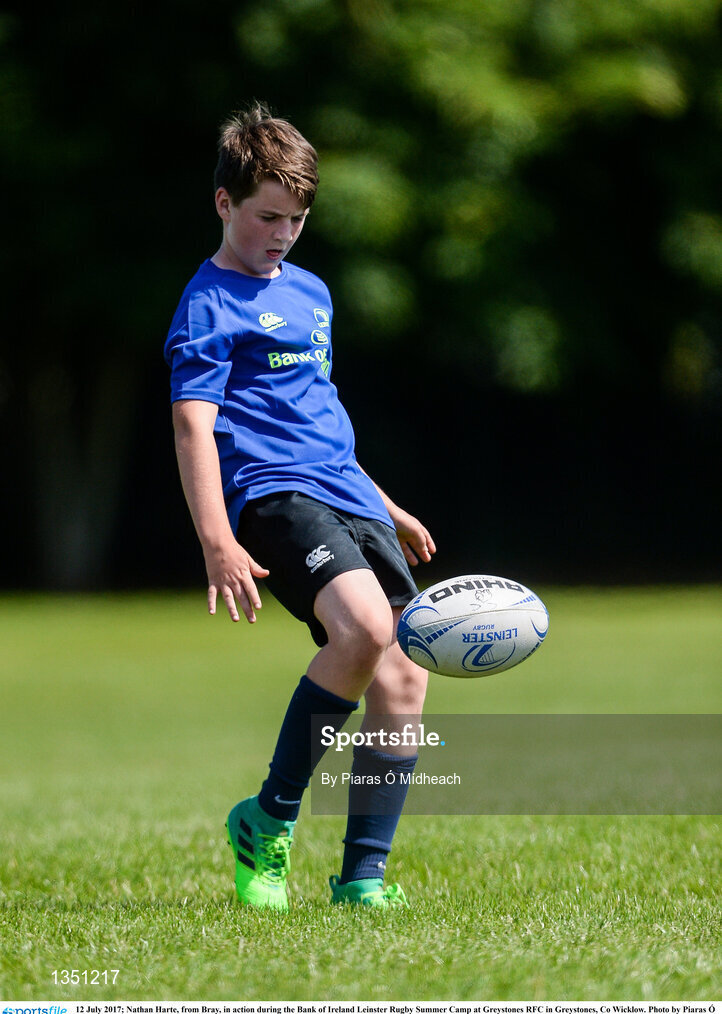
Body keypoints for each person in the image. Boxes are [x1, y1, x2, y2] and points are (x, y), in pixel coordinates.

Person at [164, 102, 436, 910]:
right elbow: (192, 425)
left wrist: (385, 505)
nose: (282, 233)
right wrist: (215, 536)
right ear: (224, 204)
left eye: (297, 219)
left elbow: (318, 415)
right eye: (266, 217)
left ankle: (362, 879)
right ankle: (269, 817)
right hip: (274, 495)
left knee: (402, 680)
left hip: (345, 492)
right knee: (364, 628)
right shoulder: (208, 304)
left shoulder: (313, 294)